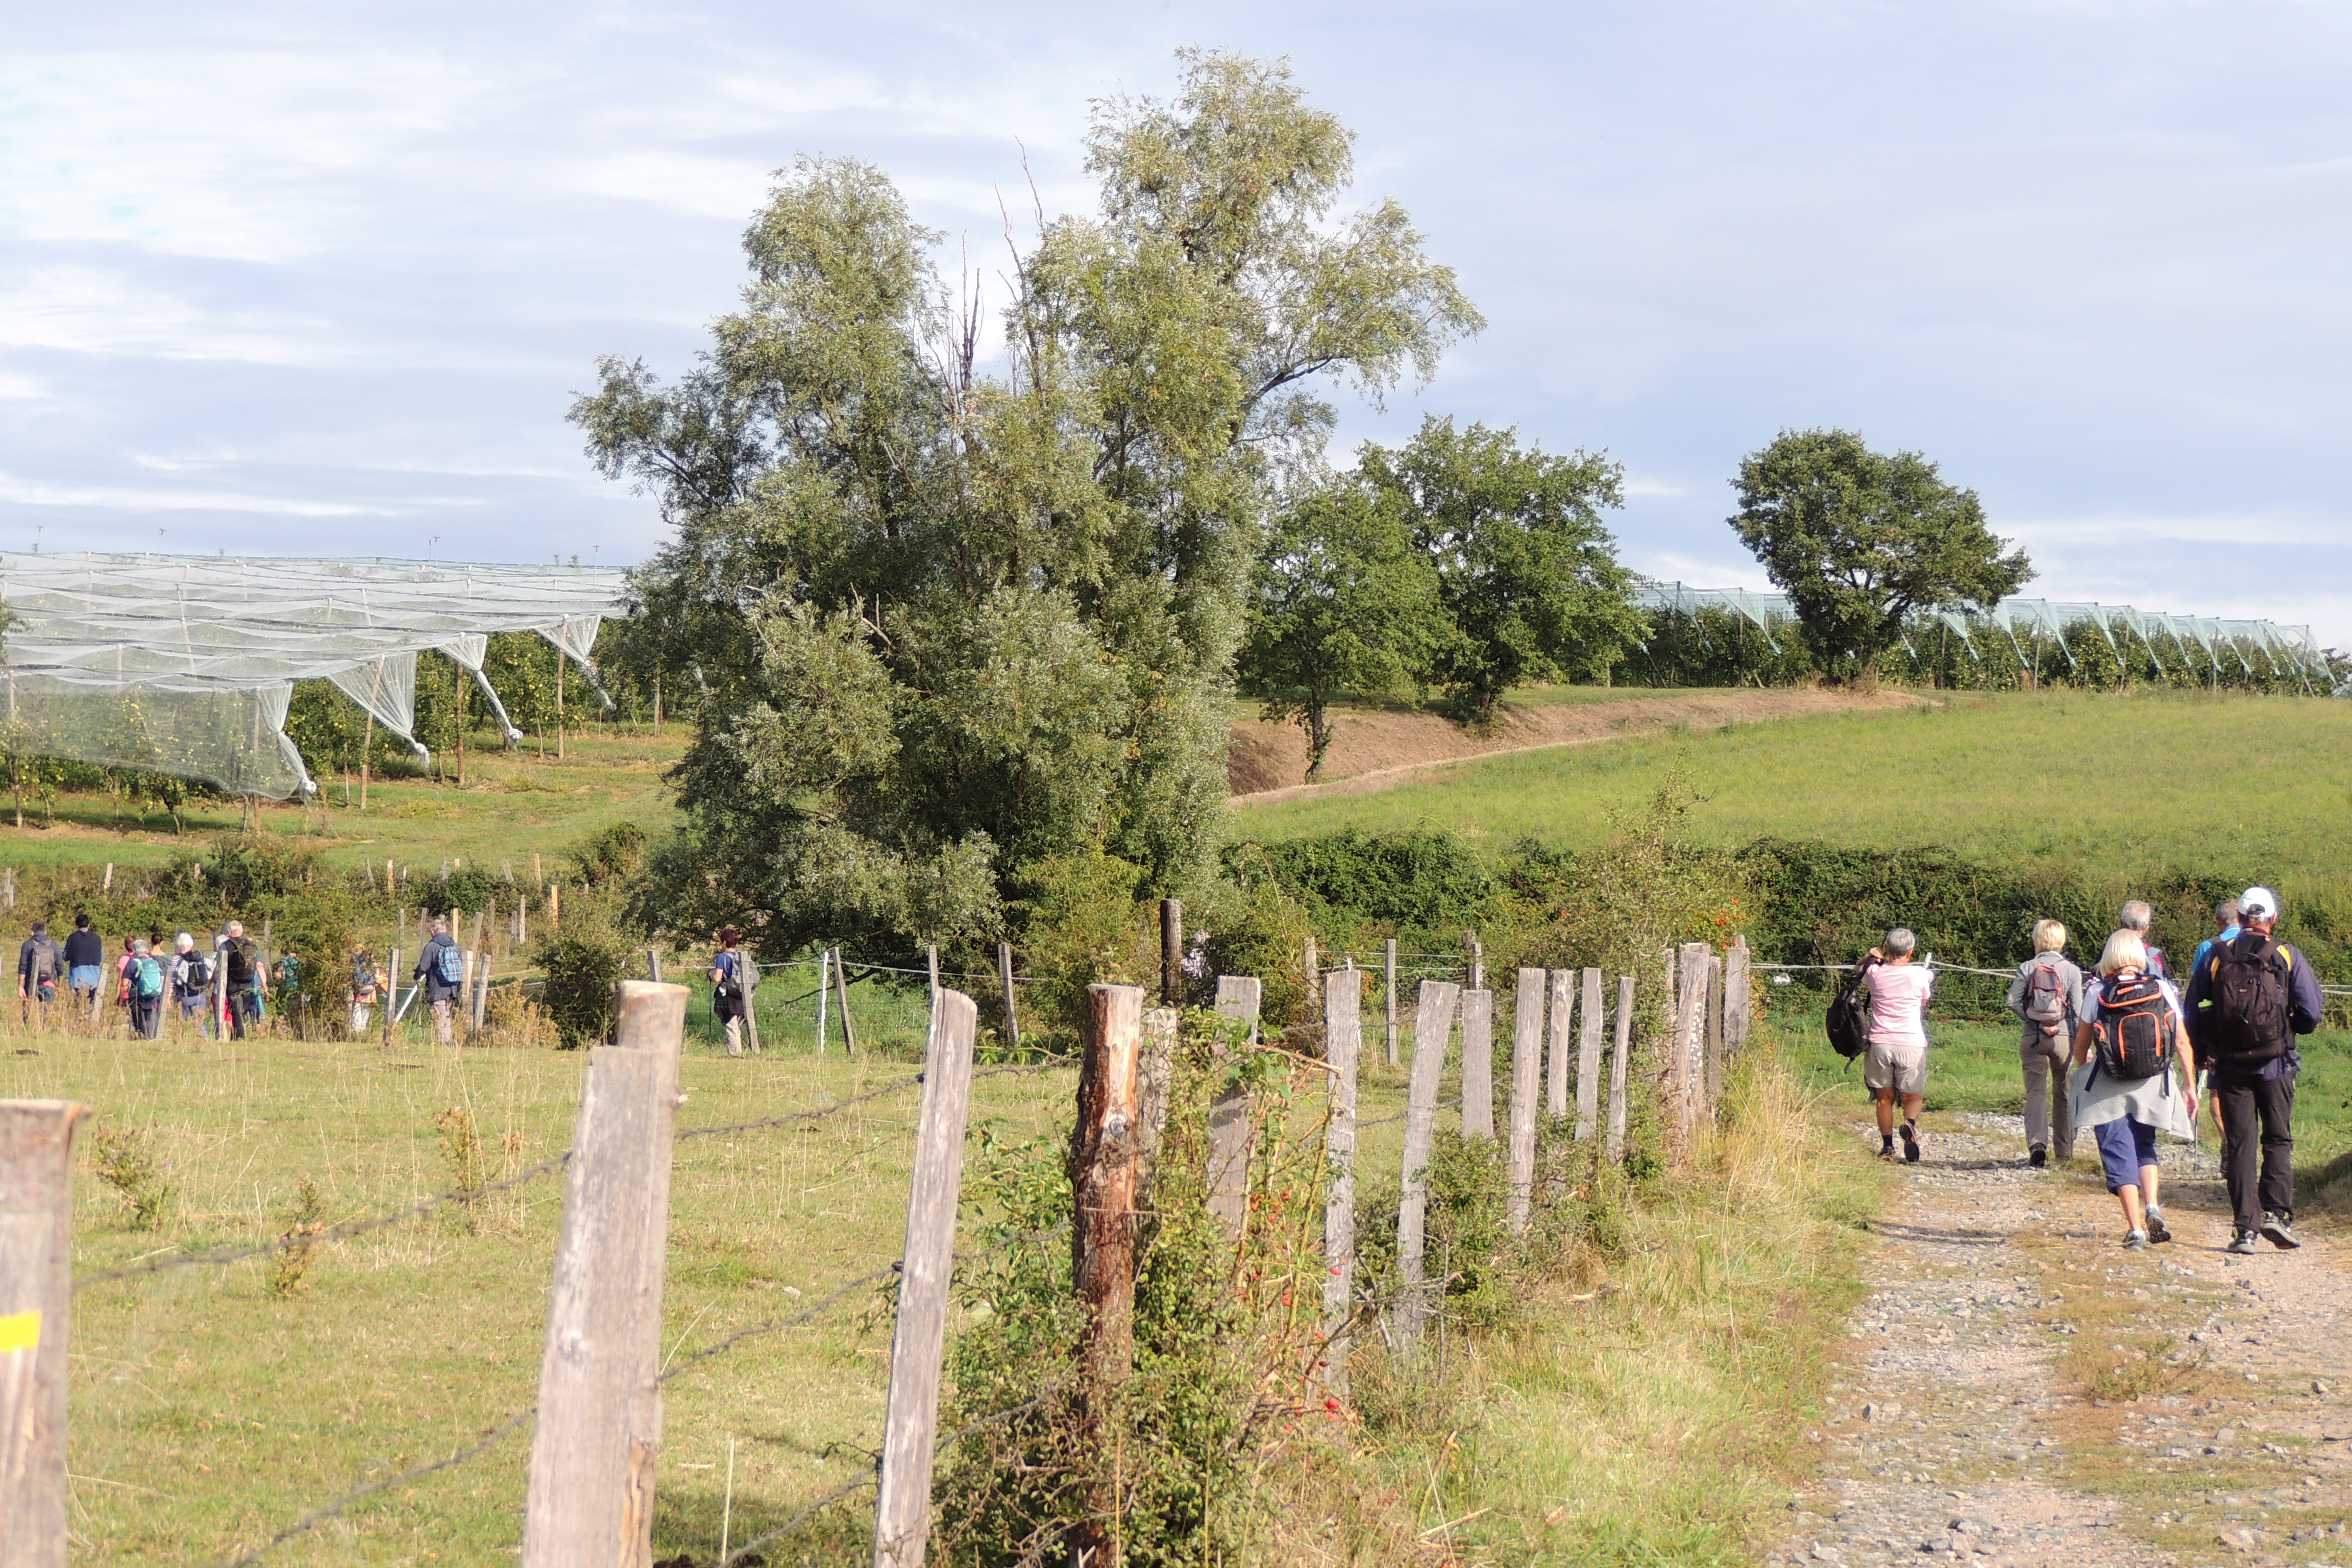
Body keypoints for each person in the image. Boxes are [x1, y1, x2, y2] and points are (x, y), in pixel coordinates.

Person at [2185, 886, 2324, 1254]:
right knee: (2277, 1139)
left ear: (2241, 918)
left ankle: (2244, 1230)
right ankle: (2276, 1215)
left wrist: (2202, 1053)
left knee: (2240, 1144)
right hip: (2277, 1062)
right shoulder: (2285, 954)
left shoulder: (2216, 955)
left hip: (2230, 1065)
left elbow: (2191, 1010)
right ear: (2272, 918)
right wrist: (2290, 1028)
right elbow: (2311, 1012)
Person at [2071, 929, 2196, 1249]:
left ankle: (2136, 1229)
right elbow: (2181, 1041)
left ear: (2110, 955)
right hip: (2152, 1081)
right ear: (2140, 957)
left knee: (2117, 1150)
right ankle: (2153, 1205)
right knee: (2145, 1145)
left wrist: (2082, 1062)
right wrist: (2189, 1085)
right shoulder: (2163, 989)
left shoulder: (2097, 992)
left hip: (2109, 1085)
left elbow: (2081, 1048)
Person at [2005, 918, 2083, 1169]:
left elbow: (2012, 1002)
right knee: (2064, 1093)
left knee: (2035, 1093)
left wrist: (2037, 1023)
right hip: (2063, 1038)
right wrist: (2085, 1046)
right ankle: (2065, 1152)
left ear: (2037, 939)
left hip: (2033, 1037)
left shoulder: (2027, 967)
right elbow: (2080, 1012)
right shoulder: (2071, 970)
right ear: (2061, 941)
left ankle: (2038, 1146)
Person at [1859, 927, 1934, 1163]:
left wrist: (1871, 957)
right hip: (1910, 1042)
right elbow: (1924, 1000)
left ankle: (1887, 1147)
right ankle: (1909, 1124)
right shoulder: (1919, 975)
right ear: (1911, 952)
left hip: (1880, 1042)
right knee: (1914, 1096)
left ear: (1887, 949)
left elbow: (1859, 969)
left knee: (1885, 1098)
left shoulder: (1874, 973)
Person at [2190, 898, 2241, 1132]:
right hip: (2260, 1034)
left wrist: (2197, 1046)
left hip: (2219, 1033)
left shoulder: (2209, 947)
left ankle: (2228, 1147)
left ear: (2218, 921)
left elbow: (2197, 994)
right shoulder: (2264, 944)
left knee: (2217, 1095)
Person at [413, 916, 463, 1047]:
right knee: (446, 1013)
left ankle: (443, 1042)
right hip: (453, 986)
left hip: (438, 986)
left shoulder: (432, 946)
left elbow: (424, 966)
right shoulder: (456, 946)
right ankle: (448, 1039)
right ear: (446, 930)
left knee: (439, 1014)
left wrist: (417, 975)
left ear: (432, 931)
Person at [709, 926, 749, 1057]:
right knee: (737, 1026)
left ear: (725, 943)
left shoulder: (723, 957)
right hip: (743, 995)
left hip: (730, 996)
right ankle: (738, 1052)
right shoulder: (742, 956)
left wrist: (710, 973)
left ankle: (736, 1055)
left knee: (732, 1027)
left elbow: (717, 978)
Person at [219, 921, 261, 1039]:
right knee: (246, 1010)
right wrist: (264, 983)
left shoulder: (225, 945)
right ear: (242, 931)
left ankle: (240, 1037)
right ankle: (248, 1034)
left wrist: (213, 980)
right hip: (249, 983)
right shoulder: (252, 946)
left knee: (237, 1011)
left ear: (228, 932)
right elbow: (259, 965)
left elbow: (220, 966)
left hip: (233, 985)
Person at [169, 932, 212, 1038]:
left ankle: (179, 1041)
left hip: (184, 995)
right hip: (200, 994)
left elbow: (173, 979)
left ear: (179, 946)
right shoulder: (200, 957)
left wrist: (169, 995)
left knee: (181, 1021)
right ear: (192, 945)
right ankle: (204, 1041)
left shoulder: (176, 959)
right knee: (199, 1022)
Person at [16, 920, 61, 1022]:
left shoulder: (27, 944)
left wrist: (20, 985)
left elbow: (23, 966)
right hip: (49, 983)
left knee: (27, 1009)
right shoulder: (53, 944)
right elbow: (60, 965)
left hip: (31, 983)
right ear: (45, 932)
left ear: (33, 932)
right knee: (46, 1013)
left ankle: (28, 1028)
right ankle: (43, 1031)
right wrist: (59, 985)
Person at [126, 937, 165, 1041]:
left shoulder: (132, 963)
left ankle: (139, 1037)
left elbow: (125, 984)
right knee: (150, 1016)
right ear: (147, 950)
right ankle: (151, 1038)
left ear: (134, 951)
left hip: (137, 997)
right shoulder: (154, 963)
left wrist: (122, 997)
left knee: (138, 1019)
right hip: (152, 995)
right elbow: (162, 979)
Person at [63, 912, 104, 1013]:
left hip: (77, 978)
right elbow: (102, 957)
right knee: (93, 1008)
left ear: (76, 926)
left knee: (79, 1007)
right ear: (89, 925)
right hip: (95, 978)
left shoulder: (72, 938)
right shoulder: (97, 938)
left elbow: (65, 956)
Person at [2119, 900, 2169, 978]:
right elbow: (2172, 986)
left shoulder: (2109, 950)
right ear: (2146, 929)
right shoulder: (2154, 956)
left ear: (2121, 924)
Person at [350, 945, 381, 1036]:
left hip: (362, 991)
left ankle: (357, 1033)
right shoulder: (372, 964)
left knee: (359, 1010)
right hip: (368, 991)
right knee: (364, 1011)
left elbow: (358, 979)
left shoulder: (357, 964)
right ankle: (361, 1032)